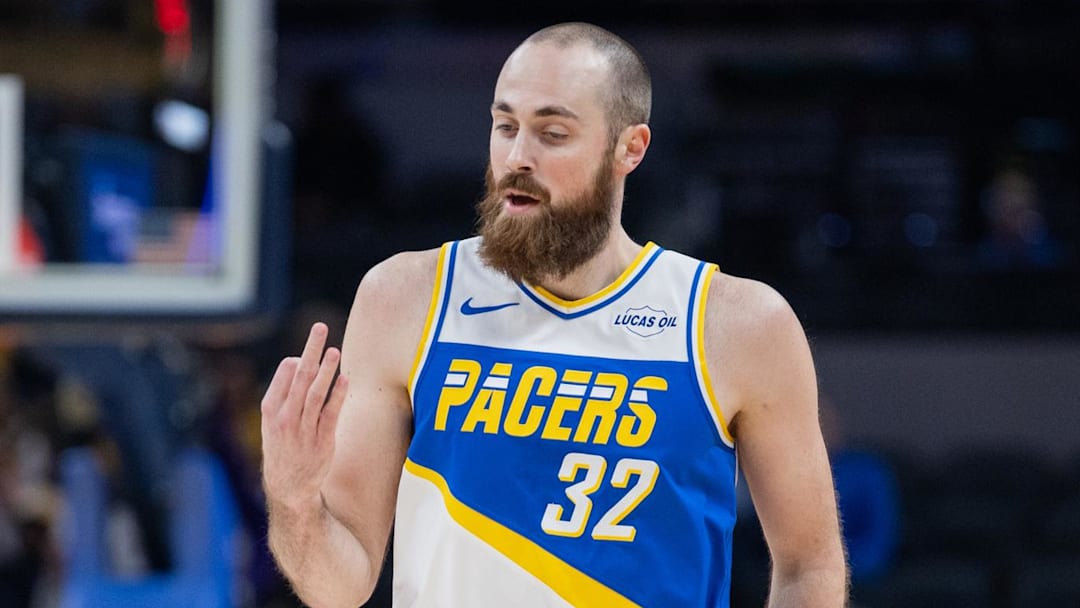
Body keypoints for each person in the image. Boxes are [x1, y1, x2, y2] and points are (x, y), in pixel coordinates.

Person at [260, 22, 847, 607]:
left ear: (630, 148)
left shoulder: (738, 325)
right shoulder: (406, 298)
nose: (517, 157)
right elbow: (340, 586)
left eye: (552, 133)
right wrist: (292, 498)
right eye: (505, 126)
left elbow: (808, 565)